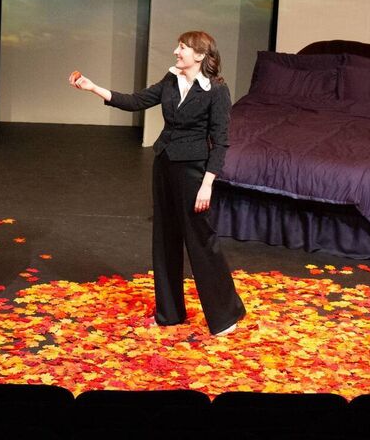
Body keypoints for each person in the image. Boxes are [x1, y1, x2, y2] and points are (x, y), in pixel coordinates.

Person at [71, 31, 245, 336]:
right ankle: (170, 313)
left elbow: (221, 142)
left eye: (182, 48)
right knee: (164, 240)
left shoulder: (216, 90)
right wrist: (93, 88)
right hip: (164, 165)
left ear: (201, 56)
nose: (176, 52)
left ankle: (226, 313)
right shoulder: (171, 79)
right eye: (178, 46)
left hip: (194, 172)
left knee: (201, 241)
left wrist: (208, 185)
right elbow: (136, 100)